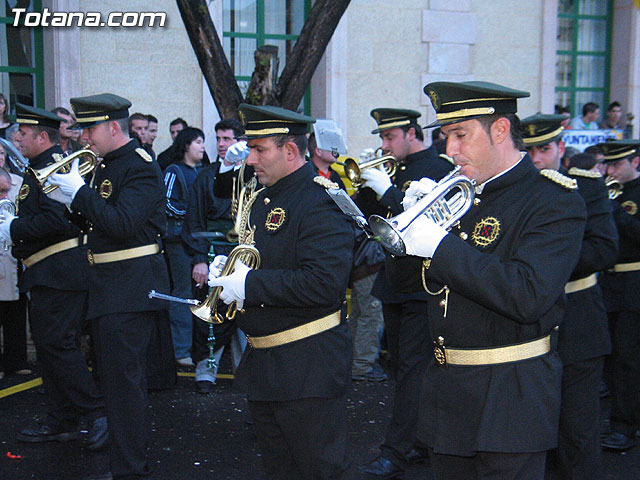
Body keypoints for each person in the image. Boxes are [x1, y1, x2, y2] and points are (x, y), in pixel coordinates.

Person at [387, 81, 586, 479]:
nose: (450, 150)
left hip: (511, 396)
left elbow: (527, 294)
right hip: (449, 389)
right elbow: (410, 286)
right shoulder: (460, 197)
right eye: (446, 138)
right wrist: (410, 231)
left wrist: (440, 246)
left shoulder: (553, 201)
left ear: (499, 131)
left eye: (461, 135)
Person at [209, 104, 354, 478]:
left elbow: (323, 283)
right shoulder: (262, 198)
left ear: (290, 151)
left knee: (316, 469)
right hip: (267, 363)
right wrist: (230, 274)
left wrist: (249, 284)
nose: (250, 158)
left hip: (309, 365)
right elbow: (266, 259)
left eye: (260, 150)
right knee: (280, 469)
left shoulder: (322, 200)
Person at [46, 93, 170, 479]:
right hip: (107, 287)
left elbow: (122, 224)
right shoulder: (106, 165)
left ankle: (130, 470)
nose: (83, 137)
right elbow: (96, 225)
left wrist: (79, 193)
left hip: (130, 288)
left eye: (89, 128)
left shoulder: (139, 166)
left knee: (124, 387)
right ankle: (124, 466)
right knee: (114, 383)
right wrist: (72, 202)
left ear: (113, 127)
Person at [0, 104, 107, 449]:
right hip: (47, 272)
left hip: (61, 272)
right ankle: (62, 419)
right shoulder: (39, 167)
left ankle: (96, 414)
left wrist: (12, 228)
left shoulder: (53, 168)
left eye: (23, 134)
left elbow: (59, 222)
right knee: (50, 348)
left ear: (42, 136)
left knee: (59, 346)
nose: (17, 138)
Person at [357, 108, 453, 479]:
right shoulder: (394, 169)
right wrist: (364, 190)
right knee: (403, 370)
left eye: (389, 137)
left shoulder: (438, 168)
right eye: (382, 138)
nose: (384, 144)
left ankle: (395, 453)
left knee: (413, 372)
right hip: (395, 283)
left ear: (412, 133)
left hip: (422, 287)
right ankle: (421, 441)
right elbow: (371, 223)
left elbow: (424, 225)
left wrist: (390, 192)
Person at [522, 114, 618, 479]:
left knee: (578, 428)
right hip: (529, 325)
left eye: (544, 149)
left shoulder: (586, 187)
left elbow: (605, 250)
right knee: (533, 429)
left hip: (578, 322)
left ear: (561, 148)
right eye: (528, 150)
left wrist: (549, 260)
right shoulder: (516, 191)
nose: (536, 159)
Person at [182, 118, 248, 394]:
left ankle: (247, 375)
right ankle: (206, 373)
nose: (221, 145)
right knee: (210, 316)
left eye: (227, 139)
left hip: (244, 254)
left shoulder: (252, 175)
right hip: (212, 253)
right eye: (218, 139)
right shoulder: (205, 176)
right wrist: (199, 259)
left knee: (245, 314)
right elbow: (194, 219)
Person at [597, 139, 640, 451]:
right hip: (607, 285)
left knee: (628, 358)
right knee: (611, 358)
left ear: (635, 163)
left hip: (634, 284)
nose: (609, 170)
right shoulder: (608, 192)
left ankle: (625, 425)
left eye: (616, 165)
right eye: (608, 165)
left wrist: (617, 213)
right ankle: (618, 416)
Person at [163, 127, 205, 367]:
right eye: (198, 142)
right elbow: (167, 203)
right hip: (178, 241)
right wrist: (191, 215)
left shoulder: (201, 172)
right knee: (183, 294)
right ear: (186, 145)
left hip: (197, 239)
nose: (202, 146)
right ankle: (181, 349)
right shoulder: (174, 171)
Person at [0, 164, 30, 379]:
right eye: (1, 191)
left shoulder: (11, 206)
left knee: (15, 314)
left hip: (12, 265)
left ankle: (16, 360)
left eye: (7, 190)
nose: (5, 195)